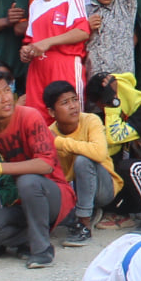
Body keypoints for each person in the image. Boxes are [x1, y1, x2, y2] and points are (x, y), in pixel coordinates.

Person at [0, 68, 71, 268]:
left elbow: (45, 164)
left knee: (28, 180)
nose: (6, 98)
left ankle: (41, 250)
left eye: (7, 90)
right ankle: (28, 238)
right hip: (14, 201)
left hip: (51, 193)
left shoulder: (29, 116)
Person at [43, 79, 119, 247]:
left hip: (104, 188)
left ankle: (84, 225)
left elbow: (99, 153)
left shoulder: (90, 120)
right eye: (65, 102)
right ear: (52, 111)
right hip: (73, 190)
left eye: (74, 100)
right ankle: (77, 214)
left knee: (83, 160)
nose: (73, 106)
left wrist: (61, 143)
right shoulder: (50, 133)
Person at [19, 0, 90, 102]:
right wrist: (25, 52)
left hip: (65, 66)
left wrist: (48, 42)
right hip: (38, 69)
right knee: (39, 118)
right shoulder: (35, 4)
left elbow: (82, 31)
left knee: (70, 119)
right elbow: (30, 41)